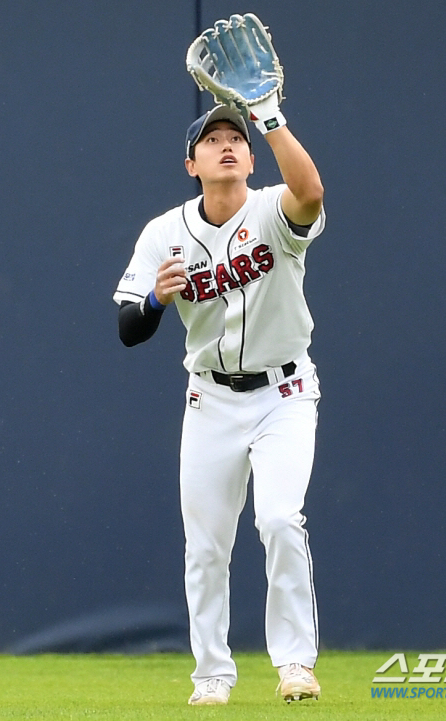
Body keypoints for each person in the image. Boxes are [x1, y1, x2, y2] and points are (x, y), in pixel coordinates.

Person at [113, 100, 325, 705]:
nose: (226, 144)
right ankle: (211, 675)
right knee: (206, 545)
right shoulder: (163, 232)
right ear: (191, 163)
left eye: (237, 137)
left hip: (285, 392)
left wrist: (272, 117)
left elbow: (309, 190)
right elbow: (129, 328)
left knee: (281, 519)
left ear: (252, 158)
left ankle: (295, 665)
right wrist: (154, 302)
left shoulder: (273, 210)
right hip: (210, 399)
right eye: (213, 140)